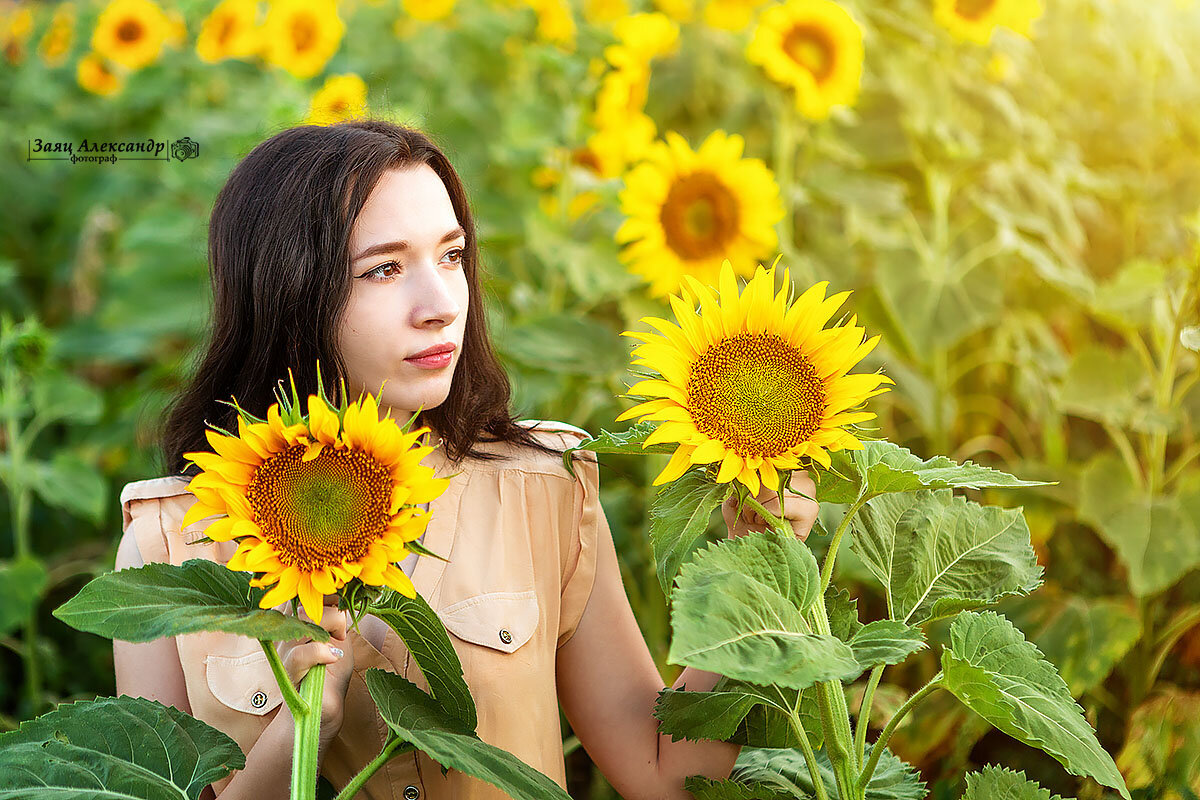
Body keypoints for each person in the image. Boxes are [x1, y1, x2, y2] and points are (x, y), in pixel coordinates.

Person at [112, 119, 819, 800]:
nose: (442, 303)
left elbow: (666, 776)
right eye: (384, 269)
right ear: (288, 291)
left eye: (451, 256)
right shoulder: (168, 545)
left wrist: (758, 570)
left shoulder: (544, 486)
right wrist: (300, 735)